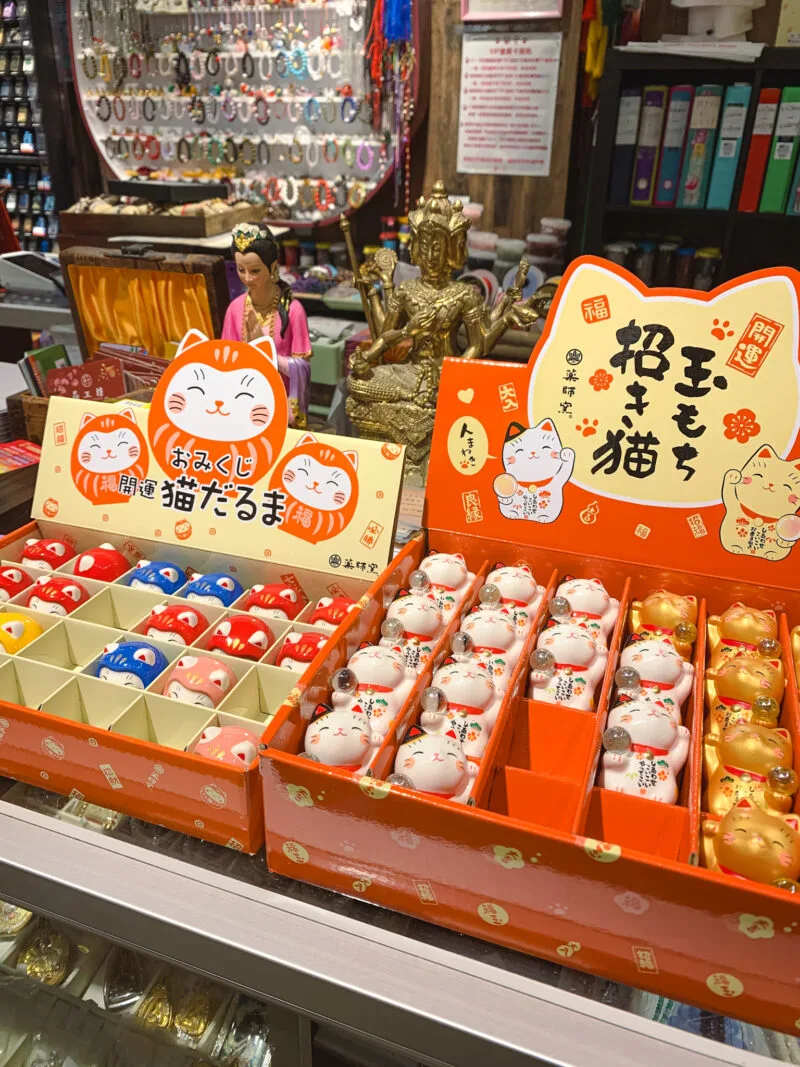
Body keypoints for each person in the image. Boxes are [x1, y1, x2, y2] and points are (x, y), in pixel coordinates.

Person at [222, 222, 312, 426]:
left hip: (280, 401)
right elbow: (226, 360)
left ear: (272, 267)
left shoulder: (293, 310)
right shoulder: (235, 309)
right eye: (240, 270)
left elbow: (303, 367)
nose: (247, 278)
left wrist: (268, 356)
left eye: (254, 271)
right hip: (242, 400)